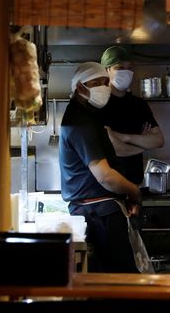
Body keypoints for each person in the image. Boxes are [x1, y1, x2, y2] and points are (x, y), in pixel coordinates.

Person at [59, 61, 142, 273]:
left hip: (98, 211)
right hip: (99, 214)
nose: (104, 88)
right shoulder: (80, 121)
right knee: (120, 282)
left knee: (113, 281)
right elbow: (105, 176)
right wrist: (134, 191)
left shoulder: (86, 116)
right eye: (97, 83)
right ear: (80, 88)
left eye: (106, 82)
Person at [99, 46, 164, 185]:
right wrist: (143, 143)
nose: (126, 73)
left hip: (135, 183)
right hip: (109, 185)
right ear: (106, 70)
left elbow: (158, 140)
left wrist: (125, 137)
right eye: (120, 68)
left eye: (129, 68)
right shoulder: (99, 104)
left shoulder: (139, 105)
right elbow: (115, 149)